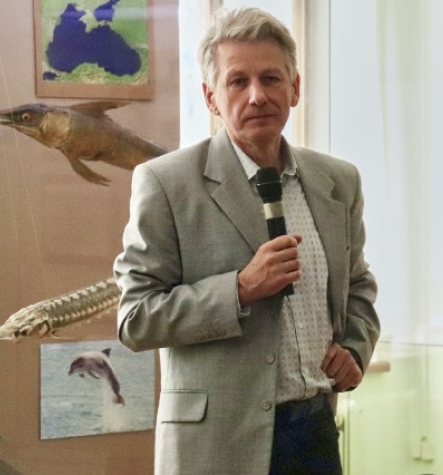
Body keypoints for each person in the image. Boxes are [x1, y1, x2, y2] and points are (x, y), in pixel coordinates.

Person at [113, 6, 379, 475]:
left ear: (294, 88)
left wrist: (356, 350)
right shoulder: (166, 183)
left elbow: (358, 285)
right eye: (238, 81)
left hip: (315, 434)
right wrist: (239, 289)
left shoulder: (339, 181)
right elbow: (136, 318)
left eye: (271, 79)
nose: (258, 96)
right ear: (211, 97)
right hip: (217, 446)